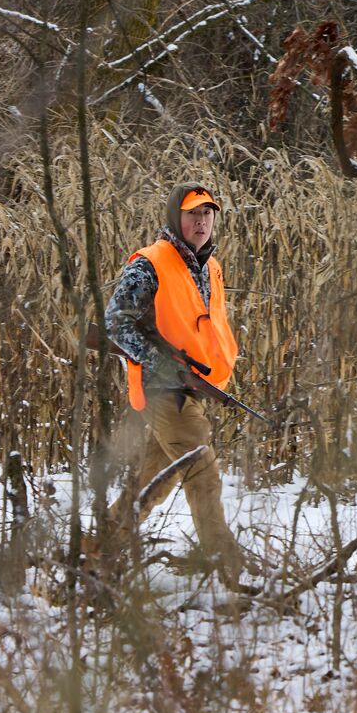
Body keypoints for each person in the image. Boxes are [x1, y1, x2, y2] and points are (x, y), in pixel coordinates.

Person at [101, 183, 251, 586]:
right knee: (202, 473)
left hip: (193, 388)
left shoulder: (209, 265)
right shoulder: (150, 263)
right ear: (175, 217)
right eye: (192, 214)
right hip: (163, 390)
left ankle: (102, 547)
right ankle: (227, 565)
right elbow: (114, 323)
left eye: (207, 213)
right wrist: (162, 365)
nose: (201, 221)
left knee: (155, 477)